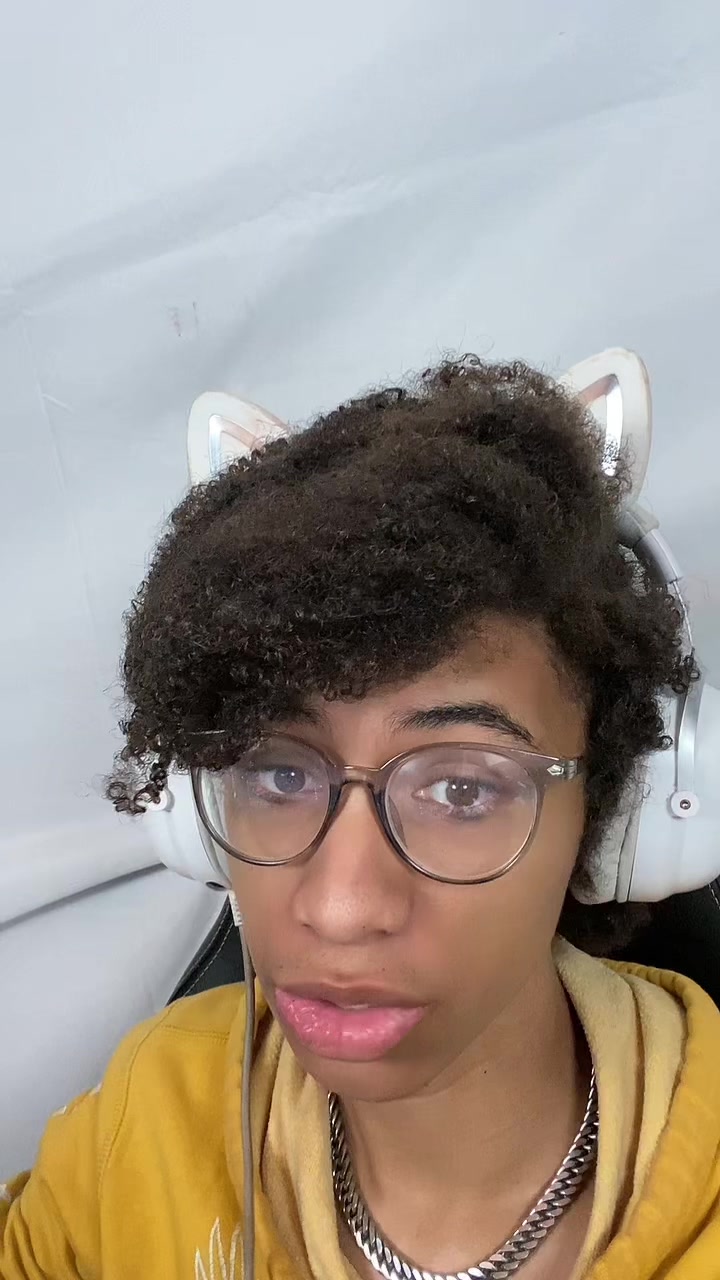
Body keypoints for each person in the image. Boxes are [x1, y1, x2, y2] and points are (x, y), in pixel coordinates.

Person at [2, 358, 719, 1280]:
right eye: (279, 774)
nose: (340, 909)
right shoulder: (145, 1119)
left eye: (462, 789)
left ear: (617, 815)